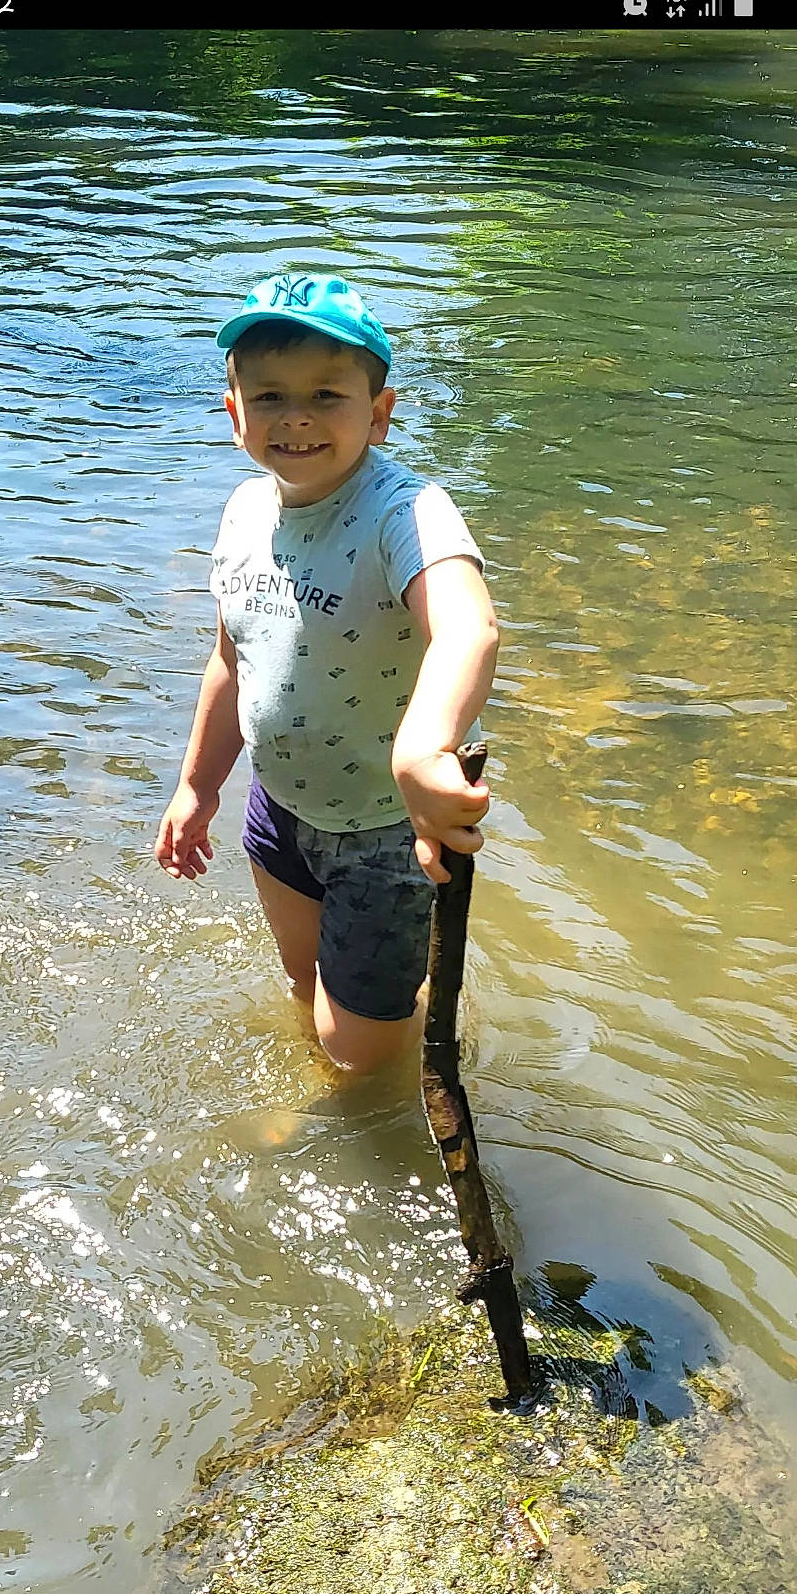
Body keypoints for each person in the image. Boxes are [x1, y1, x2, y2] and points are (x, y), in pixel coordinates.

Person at [154, 270, 499, 1077]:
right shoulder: (244, 510)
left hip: (388, 825)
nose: (297, 416)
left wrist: (423, 748)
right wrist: (197, 788)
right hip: (282, 808)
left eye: (327, 395)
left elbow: (468, 626)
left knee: (356, 1056)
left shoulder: (407, 512)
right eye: (269, 396)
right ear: (233, 413)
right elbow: (231, 659)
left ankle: (378, 1079)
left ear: (378, 413)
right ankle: (370, 1018)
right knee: (301, 979)